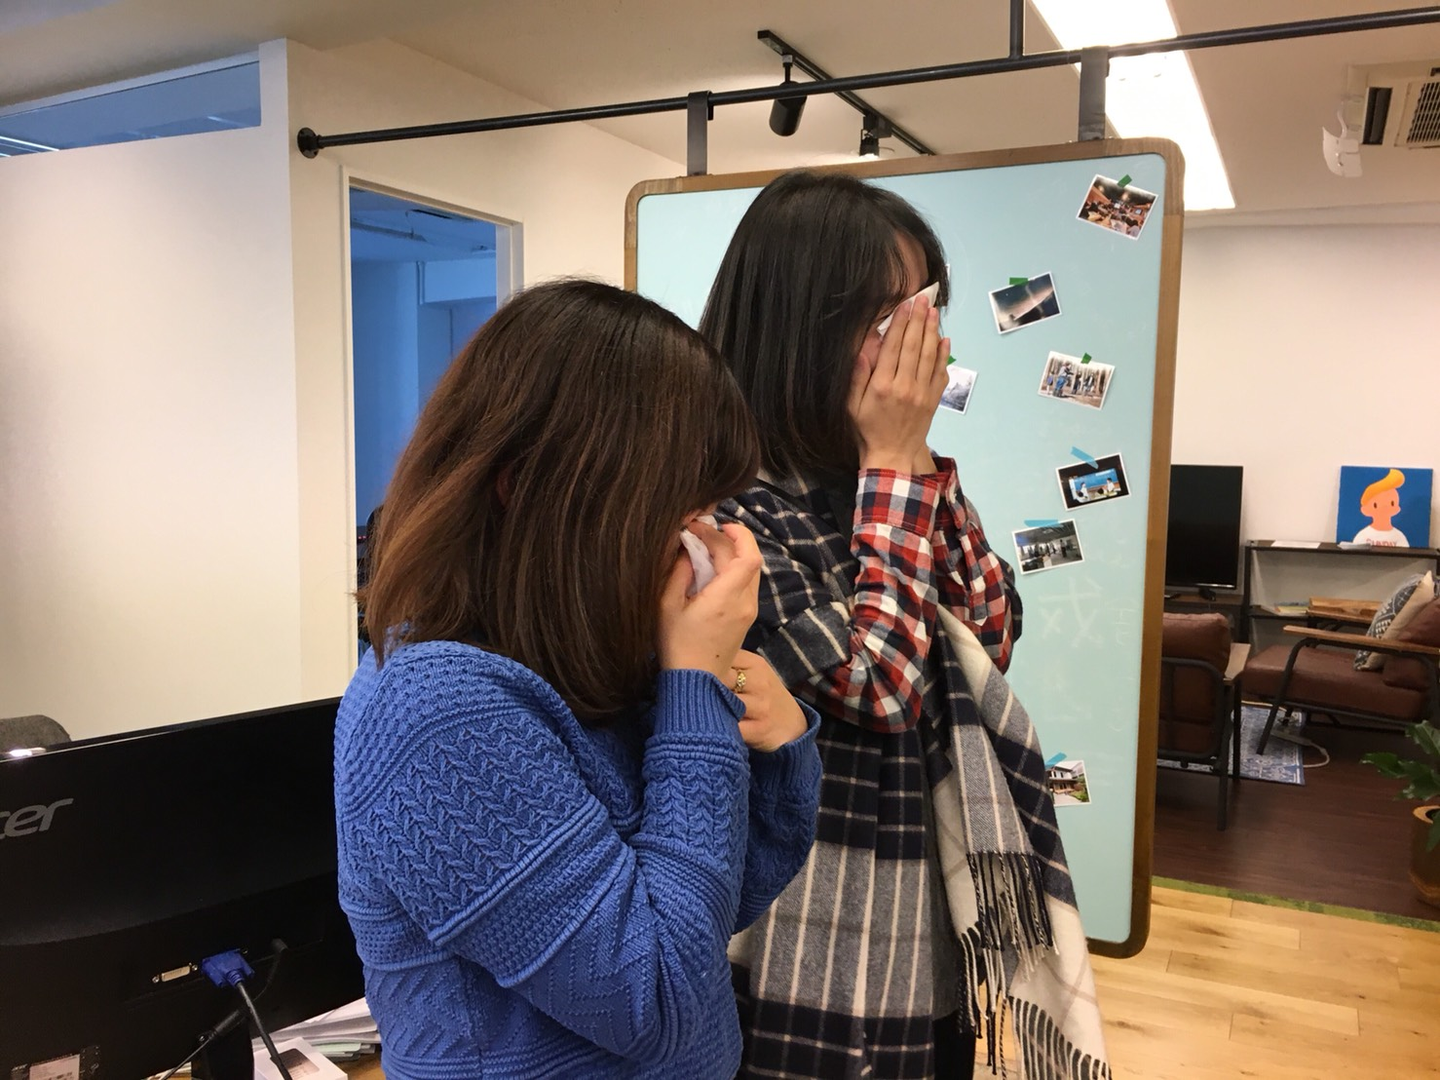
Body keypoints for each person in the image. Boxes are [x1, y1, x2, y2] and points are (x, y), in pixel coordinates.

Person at [335, 280, 824, 1079]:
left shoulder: (581, 660)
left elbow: (709, 912)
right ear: (530, 488)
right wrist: (693, 693)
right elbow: (657, 1000)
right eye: (678, 514)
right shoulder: (438, 711)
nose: (702, 546)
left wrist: (777, 747)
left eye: (706, 511)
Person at [700, 171, 1108, 1080]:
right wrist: (893, 459)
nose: (923, 346)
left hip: (927, 905)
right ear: (800, 324)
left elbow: (992, 634)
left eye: (927, 311)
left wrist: (908, 457)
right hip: (805, 929)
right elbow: (879, 687)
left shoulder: (882, 479)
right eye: (890, 317)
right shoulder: (726, 507)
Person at [1353, 468, 1409, 547]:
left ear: (1397, 509)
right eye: (1375, 505)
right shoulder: (1363, 536)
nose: (1384, 507)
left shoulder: (1399, 537)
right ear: (1365, 510)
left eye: (1392, 503)